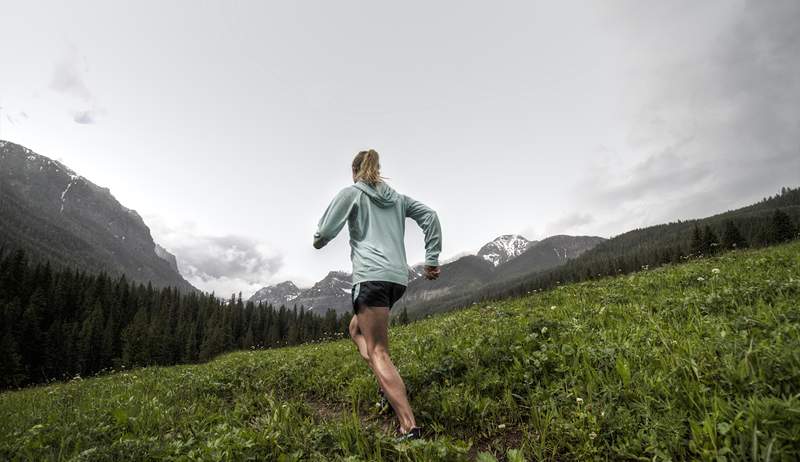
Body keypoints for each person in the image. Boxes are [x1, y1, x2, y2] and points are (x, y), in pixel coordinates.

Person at [313, 149, 442, 442]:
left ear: (355, 172)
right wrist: (431, 258)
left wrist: (318, 239)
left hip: (370, 277)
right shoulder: (397, 199)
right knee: (355, 329)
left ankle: (409, 426)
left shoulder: (352, 193)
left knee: (378, 350)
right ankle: (387, 387)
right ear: (378, 170)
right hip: (397, 278)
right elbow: (430, 216)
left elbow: (322, 235)